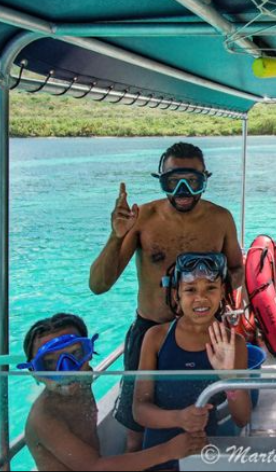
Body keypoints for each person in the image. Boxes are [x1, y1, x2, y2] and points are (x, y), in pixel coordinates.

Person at [89, 142, 244, 452]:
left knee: (205, 421)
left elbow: (238, 270)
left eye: (193, 180)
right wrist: (115, 235)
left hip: (204, 335)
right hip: (150, 331)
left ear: (205, 179)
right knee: (136, 432)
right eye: (173, 181)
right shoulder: (143, 218)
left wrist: (212, 284)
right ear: (161, 180)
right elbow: (99, 285)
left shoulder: (220, 218)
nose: (183, 189)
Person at [22, 313, 206, 471]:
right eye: (49, 363)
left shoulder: (83, 386)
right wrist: (168, 451)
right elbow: (94, 467)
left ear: (89, 353)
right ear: (35, 374)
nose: (67, 370)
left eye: (76, 354)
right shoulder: (45, 418)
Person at [133, 253, 251, 470]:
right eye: (190, 290)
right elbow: (139, 409)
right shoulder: (156, 337)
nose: (201, 298)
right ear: (176, 293)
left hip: (203, 457)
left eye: (210, 288)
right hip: (158, 456)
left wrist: (230, 379)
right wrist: (179, 418)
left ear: (223, 291)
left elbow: (242, 418)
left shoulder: (235, 343)